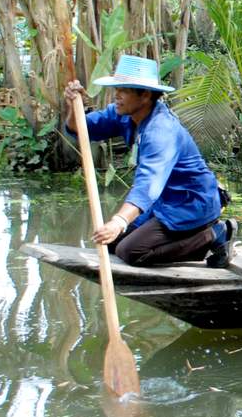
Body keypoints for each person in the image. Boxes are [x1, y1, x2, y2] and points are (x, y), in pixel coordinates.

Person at [61, 55, 232, 268]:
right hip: (165, 201)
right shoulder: (124, 115)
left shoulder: (161, 131)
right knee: (113, 244)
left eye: (124, 91)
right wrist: (73, 106)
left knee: (131, 251)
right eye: (117, 89)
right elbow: (80, 128)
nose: (117, 96)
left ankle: (213, 235)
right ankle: (191, 239)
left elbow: (148, 184)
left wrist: (119, 221)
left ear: (145, 95)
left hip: (191, 204)